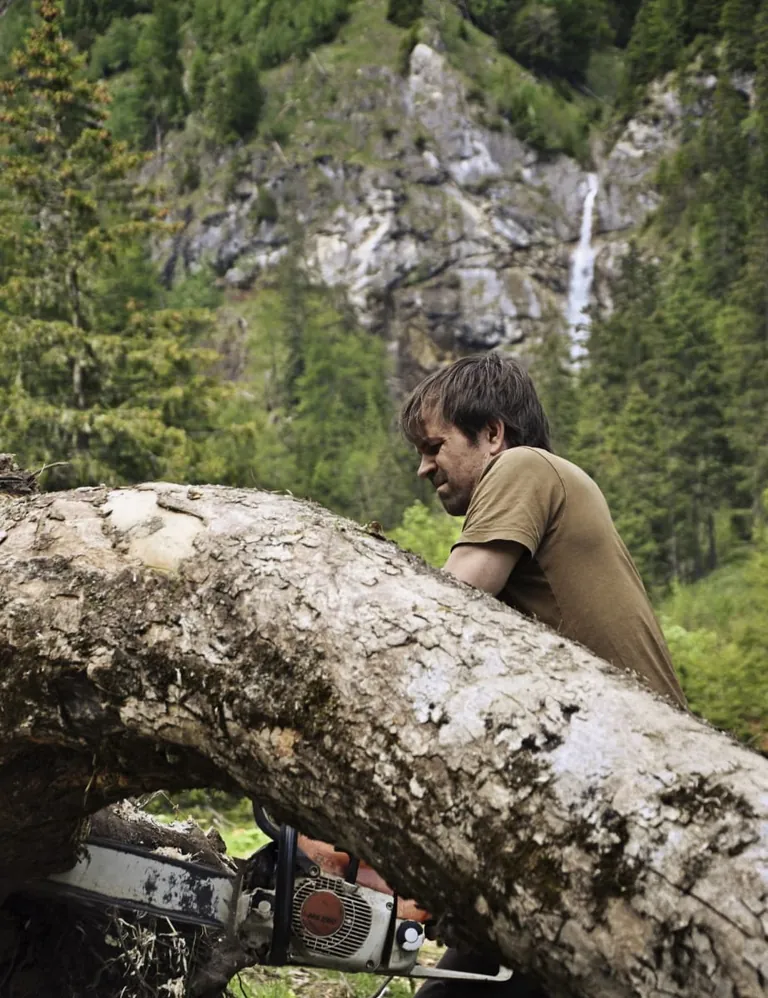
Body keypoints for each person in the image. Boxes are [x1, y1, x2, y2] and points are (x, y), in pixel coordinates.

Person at [399, 352, 686, 998]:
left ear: (492, 433)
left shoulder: (522, 467)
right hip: (604, 783)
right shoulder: (543, 495)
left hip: (629, 788)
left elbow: (442, 614)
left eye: (434, 446)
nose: (424, 467)